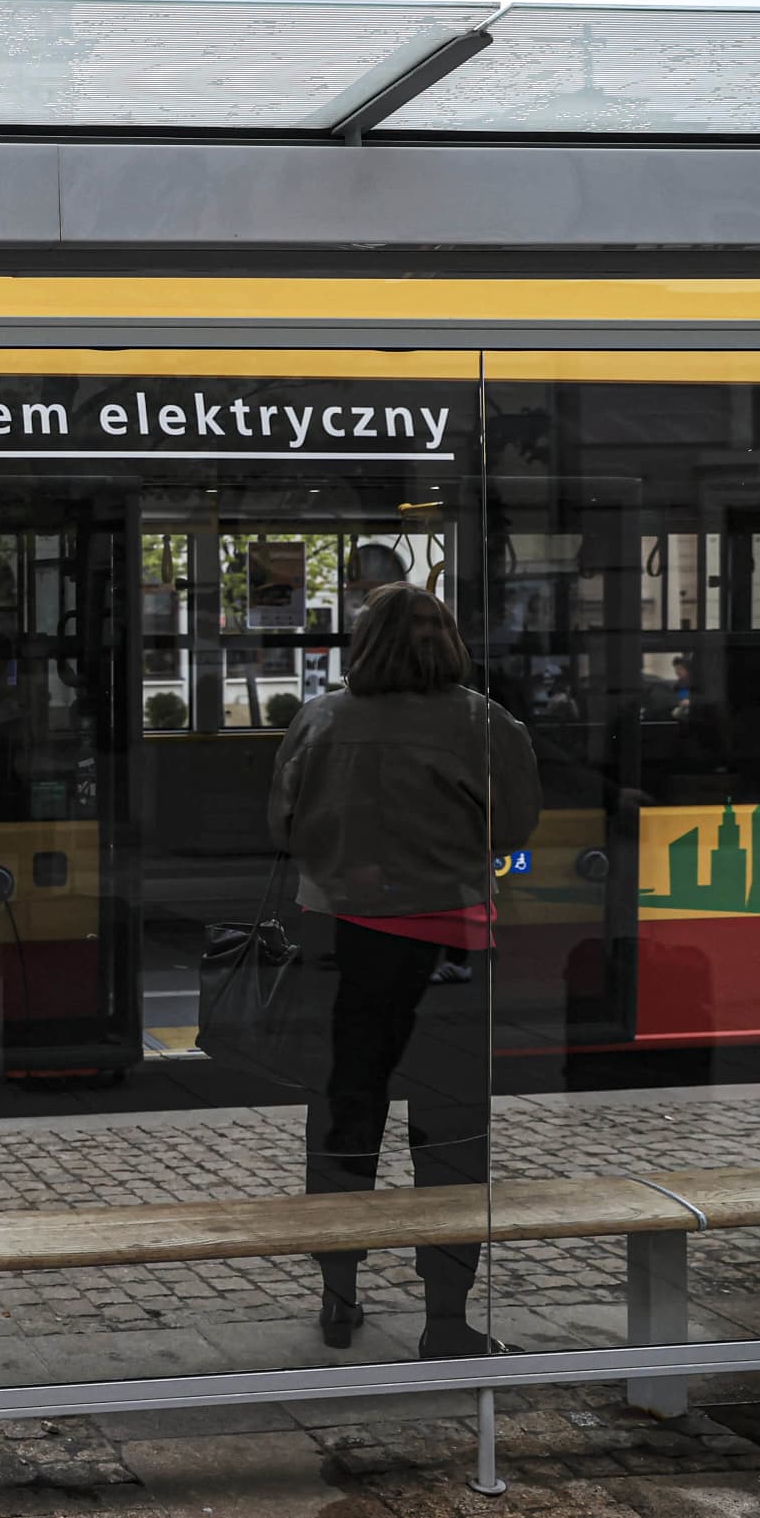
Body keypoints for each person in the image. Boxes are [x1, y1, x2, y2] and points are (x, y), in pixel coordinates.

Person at [269, 583, 540, 1360]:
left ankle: (338, 1296)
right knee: (451, 1137)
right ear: (447, 643)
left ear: (364, 645)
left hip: (341, 947)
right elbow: (516, 825)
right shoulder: (486, 723)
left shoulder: (319, 720)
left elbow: (279, 826)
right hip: (450, 950)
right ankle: (447, 1320)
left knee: (343, 1123)